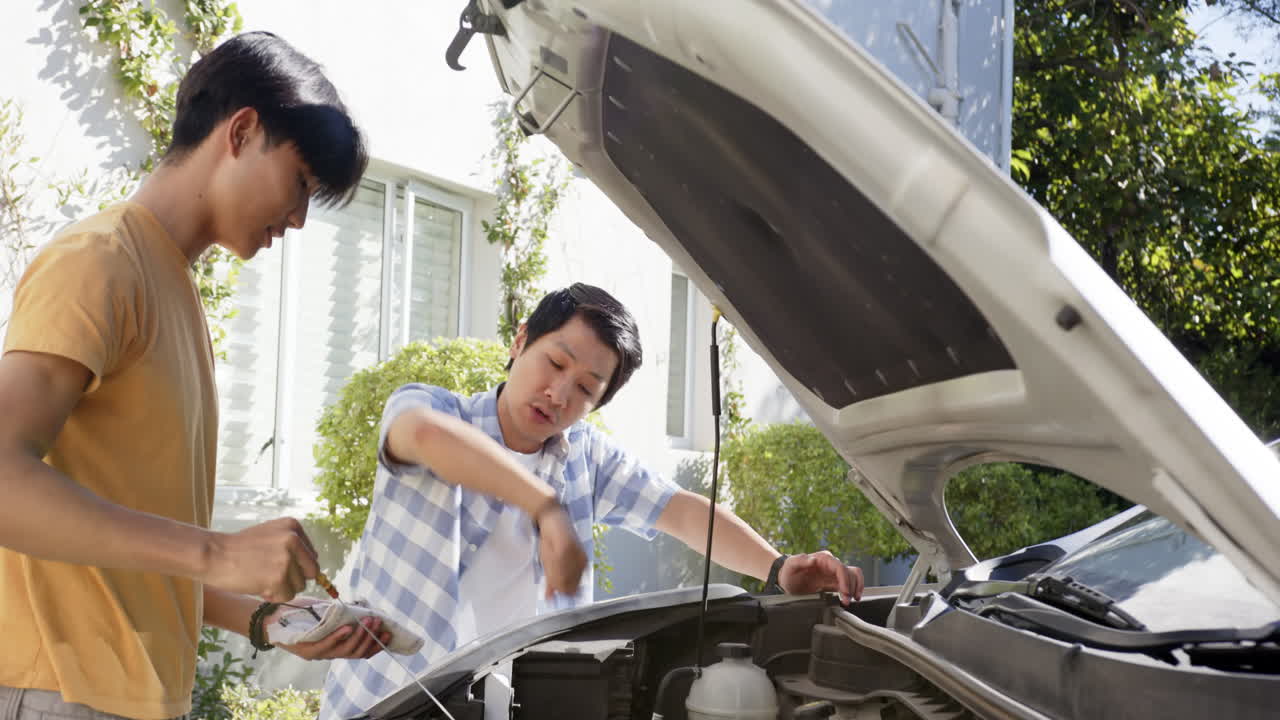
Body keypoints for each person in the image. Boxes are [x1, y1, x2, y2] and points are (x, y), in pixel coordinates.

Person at [0, 31, 391, 720]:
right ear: (241, 131)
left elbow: (122, 549)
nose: (299, 219)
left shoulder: (171, 286)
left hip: (131, 698)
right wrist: (216, 551)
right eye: (300, 183)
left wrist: (262, 618)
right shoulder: (99, 261)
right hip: (59, 692)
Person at [322, 283, 865, 719]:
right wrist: (545, 508)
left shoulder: (584, 457)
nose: (559, 394)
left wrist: (777, 567)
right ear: (520, 341)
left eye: (586, 389)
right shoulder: (434, 409)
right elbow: (421, 435)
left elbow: (680, 510)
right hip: (386, 703)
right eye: (555, 364)